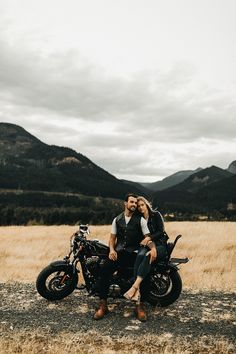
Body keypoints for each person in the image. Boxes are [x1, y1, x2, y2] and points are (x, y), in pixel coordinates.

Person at [93, 193, 156, 322]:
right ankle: (103, 305)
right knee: (104, 270)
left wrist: (153, 248)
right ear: (125, 203)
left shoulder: (141, 220)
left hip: (134, 254)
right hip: (119, 253)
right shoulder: (117, 219)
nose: (134, 204)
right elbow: (112, 239)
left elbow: (147, 237)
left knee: (145, 274)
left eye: (135, 203)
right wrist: (111, 250)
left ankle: (140, 306)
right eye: (131, 202)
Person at [123, 196, 168, 305]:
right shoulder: (139, 218)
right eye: (138, 206)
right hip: (147, 245)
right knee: (139, 256)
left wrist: (149, 238)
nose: (140, 207)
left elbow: (161, 231)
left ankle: (134, 287)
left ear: (146, 204)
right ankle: (137, 291)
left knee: (148, 256)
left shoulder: (156, 215)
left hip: (160, 244)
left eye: (142, 205)